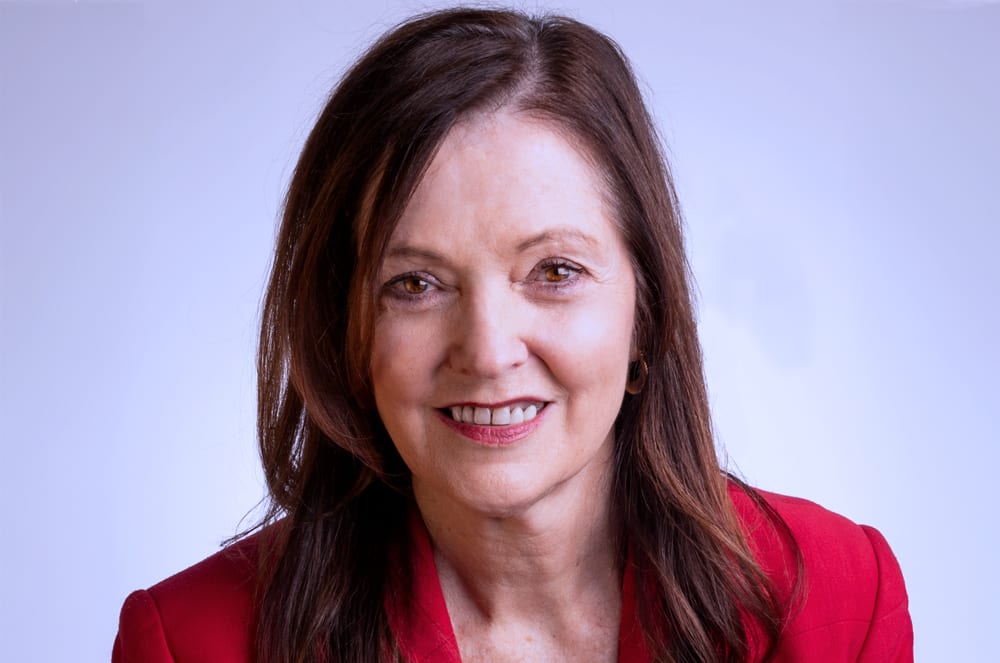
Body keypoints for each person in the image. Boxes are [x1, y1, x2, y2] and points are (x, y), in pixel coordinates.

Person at [112, 7, 912, 662]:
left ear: (647, 308)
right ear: (345, 331)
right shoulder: (191, 639)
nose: (489, 350)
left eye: (554, 271)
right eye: (415, 284)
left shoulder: (840, 603)